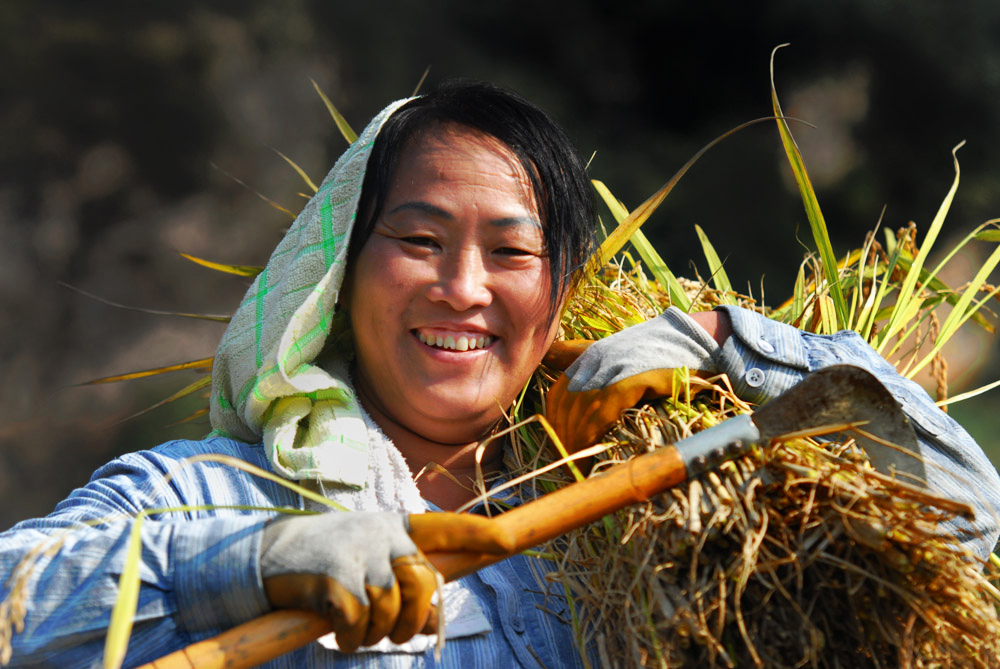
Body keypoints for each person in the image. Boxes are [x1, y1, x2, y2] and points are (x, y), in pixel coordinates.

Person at [1, 80, 998, 668]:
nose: (461, 289)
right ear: (338, 277)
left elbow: (958, 534)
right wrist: (259, 560)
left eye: (510, 254)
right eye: (419, 239)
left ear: (559, 293)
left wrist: (725, 343)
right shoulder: (202, 493)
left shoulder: (659, 530)